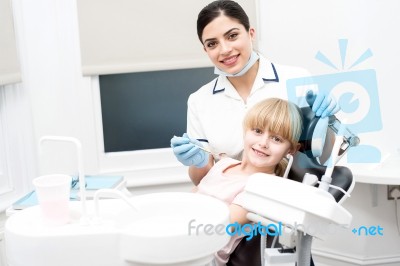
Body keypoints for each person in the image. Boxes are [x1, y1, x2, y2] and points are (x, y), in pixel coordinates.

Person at [170, 0, 339, 185]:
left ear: (251, 33)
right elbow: (201, 180)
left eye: (232, 36)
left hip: (286, 200)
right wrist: (199, 163)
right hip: (228, 201)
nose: (225, 50)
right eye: (212, 44)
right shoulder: (199, 101)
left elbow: (324, 158)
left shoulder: (296, 80)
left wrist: (327, 121)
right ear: (205, 49)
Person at [189, 98, 303, 266]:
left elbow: (217, 227)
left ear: (291, 149)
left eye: (277, 139)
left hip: (202, 257)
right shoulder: (224, 164)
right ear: (245, 131)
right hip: (184, 239)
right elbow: (191, 197)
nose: (263, 143)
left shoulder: (262, 188)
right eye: (257, 131)